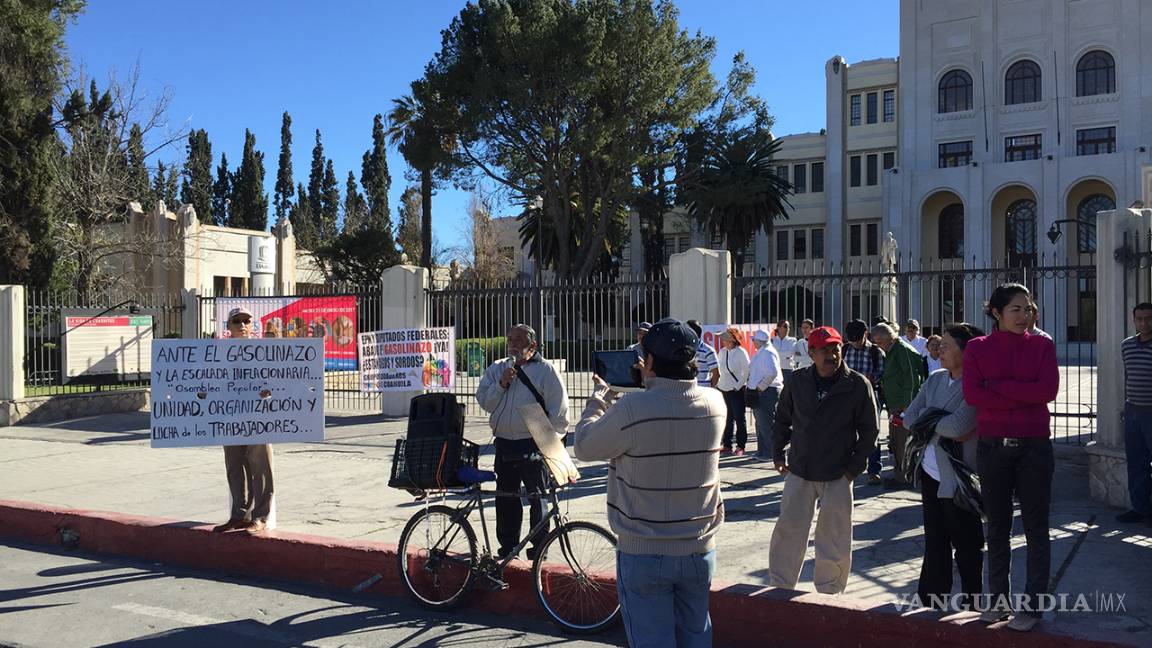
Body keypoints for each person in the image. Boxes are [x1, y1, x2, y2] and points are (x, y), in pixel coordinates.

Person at [574, 318, 725, 648]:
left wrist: (599, 399)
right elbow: (671, 409)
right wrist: (651, 385)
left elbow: (584, 446)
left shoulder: (632, 409)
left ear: (650, 361)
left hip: (645, 552)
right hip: (699, 548)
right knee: (697, 636)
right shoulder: (716, 404)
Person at [963, 284, 1059, 631]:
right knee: (998, 527)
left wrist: (997, 386)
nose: (1024, 316)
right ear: (996, 313)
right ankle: (998, 601)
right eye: (1016, 309)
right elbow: (975, 395)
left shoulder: (1043, 345)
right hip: (993, 447)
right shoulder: (977, 348)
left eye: (1028, 309)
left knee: (1036, 528)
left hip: (1034, 447)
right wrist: (1022, 394)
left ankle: (1032, 607)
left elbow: (1047, 391)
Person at [769, 326, 879, 595]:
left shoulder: (856, 385)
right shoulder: (796, 381)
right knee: (789, 532)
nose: (831, 355)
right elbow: (782, 419)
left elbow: (870, 430)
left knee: (834, 537)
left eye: (836, 348)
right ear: (811, 353)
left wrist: (853, 469)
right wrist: (778, 451)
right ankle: (781, 588)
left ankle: (830, 591)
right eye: (825, 350)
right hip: (800, 470)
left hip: (838, 473)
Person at [904, 323, 985, 611]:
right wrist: (937, 422)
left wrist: (929, 421)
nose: (940, 350)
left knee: (967, 545)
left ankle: (973, 604)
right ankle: (930, 602)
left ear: (967, 351)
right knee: (935, 542)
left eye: (948, 346)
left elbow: (961, 425)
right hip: (930, 474)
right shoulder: (936, 379)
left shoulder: (976, 385)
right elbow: (910, 417)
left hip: (959, 479)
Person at [476, 324, 570, 561]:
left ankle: (539, 548)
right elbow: (486, 403)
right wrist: (501, 385)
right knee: (506, 496)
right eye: (510, 340)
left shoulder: (546, 372)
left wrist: (549, 446)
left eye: (518, 340)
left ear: (532, 346)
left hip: (533, 444)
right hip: (505, 443)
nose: (513, 344)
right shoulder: (498, 369)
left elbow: (559, 413)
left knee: (538, 498)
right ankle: (508, 547)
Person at [213, 306, 274, 534]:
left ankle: (260, 516)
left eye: (246, 321)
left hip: (258, 415)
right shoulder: (219, 351)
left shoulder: (262, 350)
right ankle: (239, 514)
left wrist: (268, 392)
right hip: (230, 415)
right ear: (228, 327)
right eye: (236, 321)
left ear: (252, 325)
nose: (241, 325)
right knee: (234, 465)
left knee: (260, 466)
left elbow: (276, 380)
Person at [871, 322, 928, 489]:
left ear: (886, 338)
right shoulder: (892, 350)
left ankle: (905, 477)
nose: (878, 346)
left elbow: (912, 378)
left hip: (903, 406)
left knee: (903, 441)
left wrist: (907, 405)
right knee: (896, 441)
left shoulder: (902, 350)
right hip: (895, 403)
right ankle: (900, 475)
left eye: (878, 342)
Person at [1118, 302, 1152, 524]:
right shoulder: (1127, 345)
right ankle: (1140, 508)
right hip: (1133, 411)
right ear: (1133, 320)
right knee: (1136, 462)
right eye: (1139, 319)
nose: (1144, 323)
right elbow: (1128, 376)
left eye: (1148, 318)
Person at [843, 319, 886, 485]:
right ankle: (847, 467)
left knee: (871, 434)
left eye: (858, 340)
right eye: (852, 340)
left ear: (866, 335)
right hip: (847, 398)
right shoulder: (845, 349)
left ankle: (874, 470)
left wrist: (873, 378)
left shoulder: (876, 352)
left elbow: (883, 372)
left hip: (870, 398)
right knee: (846, 433)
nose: (855, 343)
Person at [747, 330, 784, 462]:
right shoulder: (764, 351)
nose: (752, 342)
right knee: (760, 423)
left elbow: (772, 373)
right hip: (764, 391)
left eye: (753, 340)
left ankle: (769, 452)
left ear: (758, 341)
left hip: (767, 391)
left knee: (766, 423)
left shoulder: (767, 352)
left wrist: (760, 387)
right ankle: (762, 451)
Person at [717, 327, 751, 456]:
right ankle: (727, 444)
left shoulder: (741, 352)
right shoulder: (722, 352)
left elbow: (746, 370)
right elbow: (719, 369)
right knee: (727, 418)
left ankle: (741, 445)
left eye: (725, 339)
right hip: (723, 388)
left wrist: (738, 385)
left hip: (736, 389)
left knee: (739, 418)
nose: (723, 341)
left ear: (732, 340)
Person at [687, 319, 719, 388]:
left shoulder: (708, 350)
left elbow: (716, 374)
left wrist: (709, 391)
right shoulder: (685, 349)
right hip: (687, 392)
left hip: (703, 392)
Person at [772, 320, 798, 384]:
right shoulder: (772, 340)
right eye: (785, 326)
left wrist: (777, 354)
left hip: (788, 370)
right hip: (775, 370)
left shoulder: (793, 340)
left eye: (788, 327)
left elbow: (790, 353)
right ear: (778, 328)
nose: (788, 329)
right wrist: (785, 355)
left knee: (789, 392)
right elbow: (771, 355)